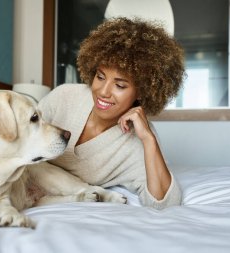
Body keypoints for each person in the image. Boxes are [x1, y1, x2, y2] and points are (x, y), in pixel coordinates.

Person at [37, 17, 186, 209]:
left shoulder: (135, 143)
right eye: (100, 77)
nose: (103, 91)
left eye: (120, 85)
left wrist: (149, 140)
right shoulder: (64, 97)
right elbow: (19, 139)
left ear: (142, 91)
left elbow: (165, 203)